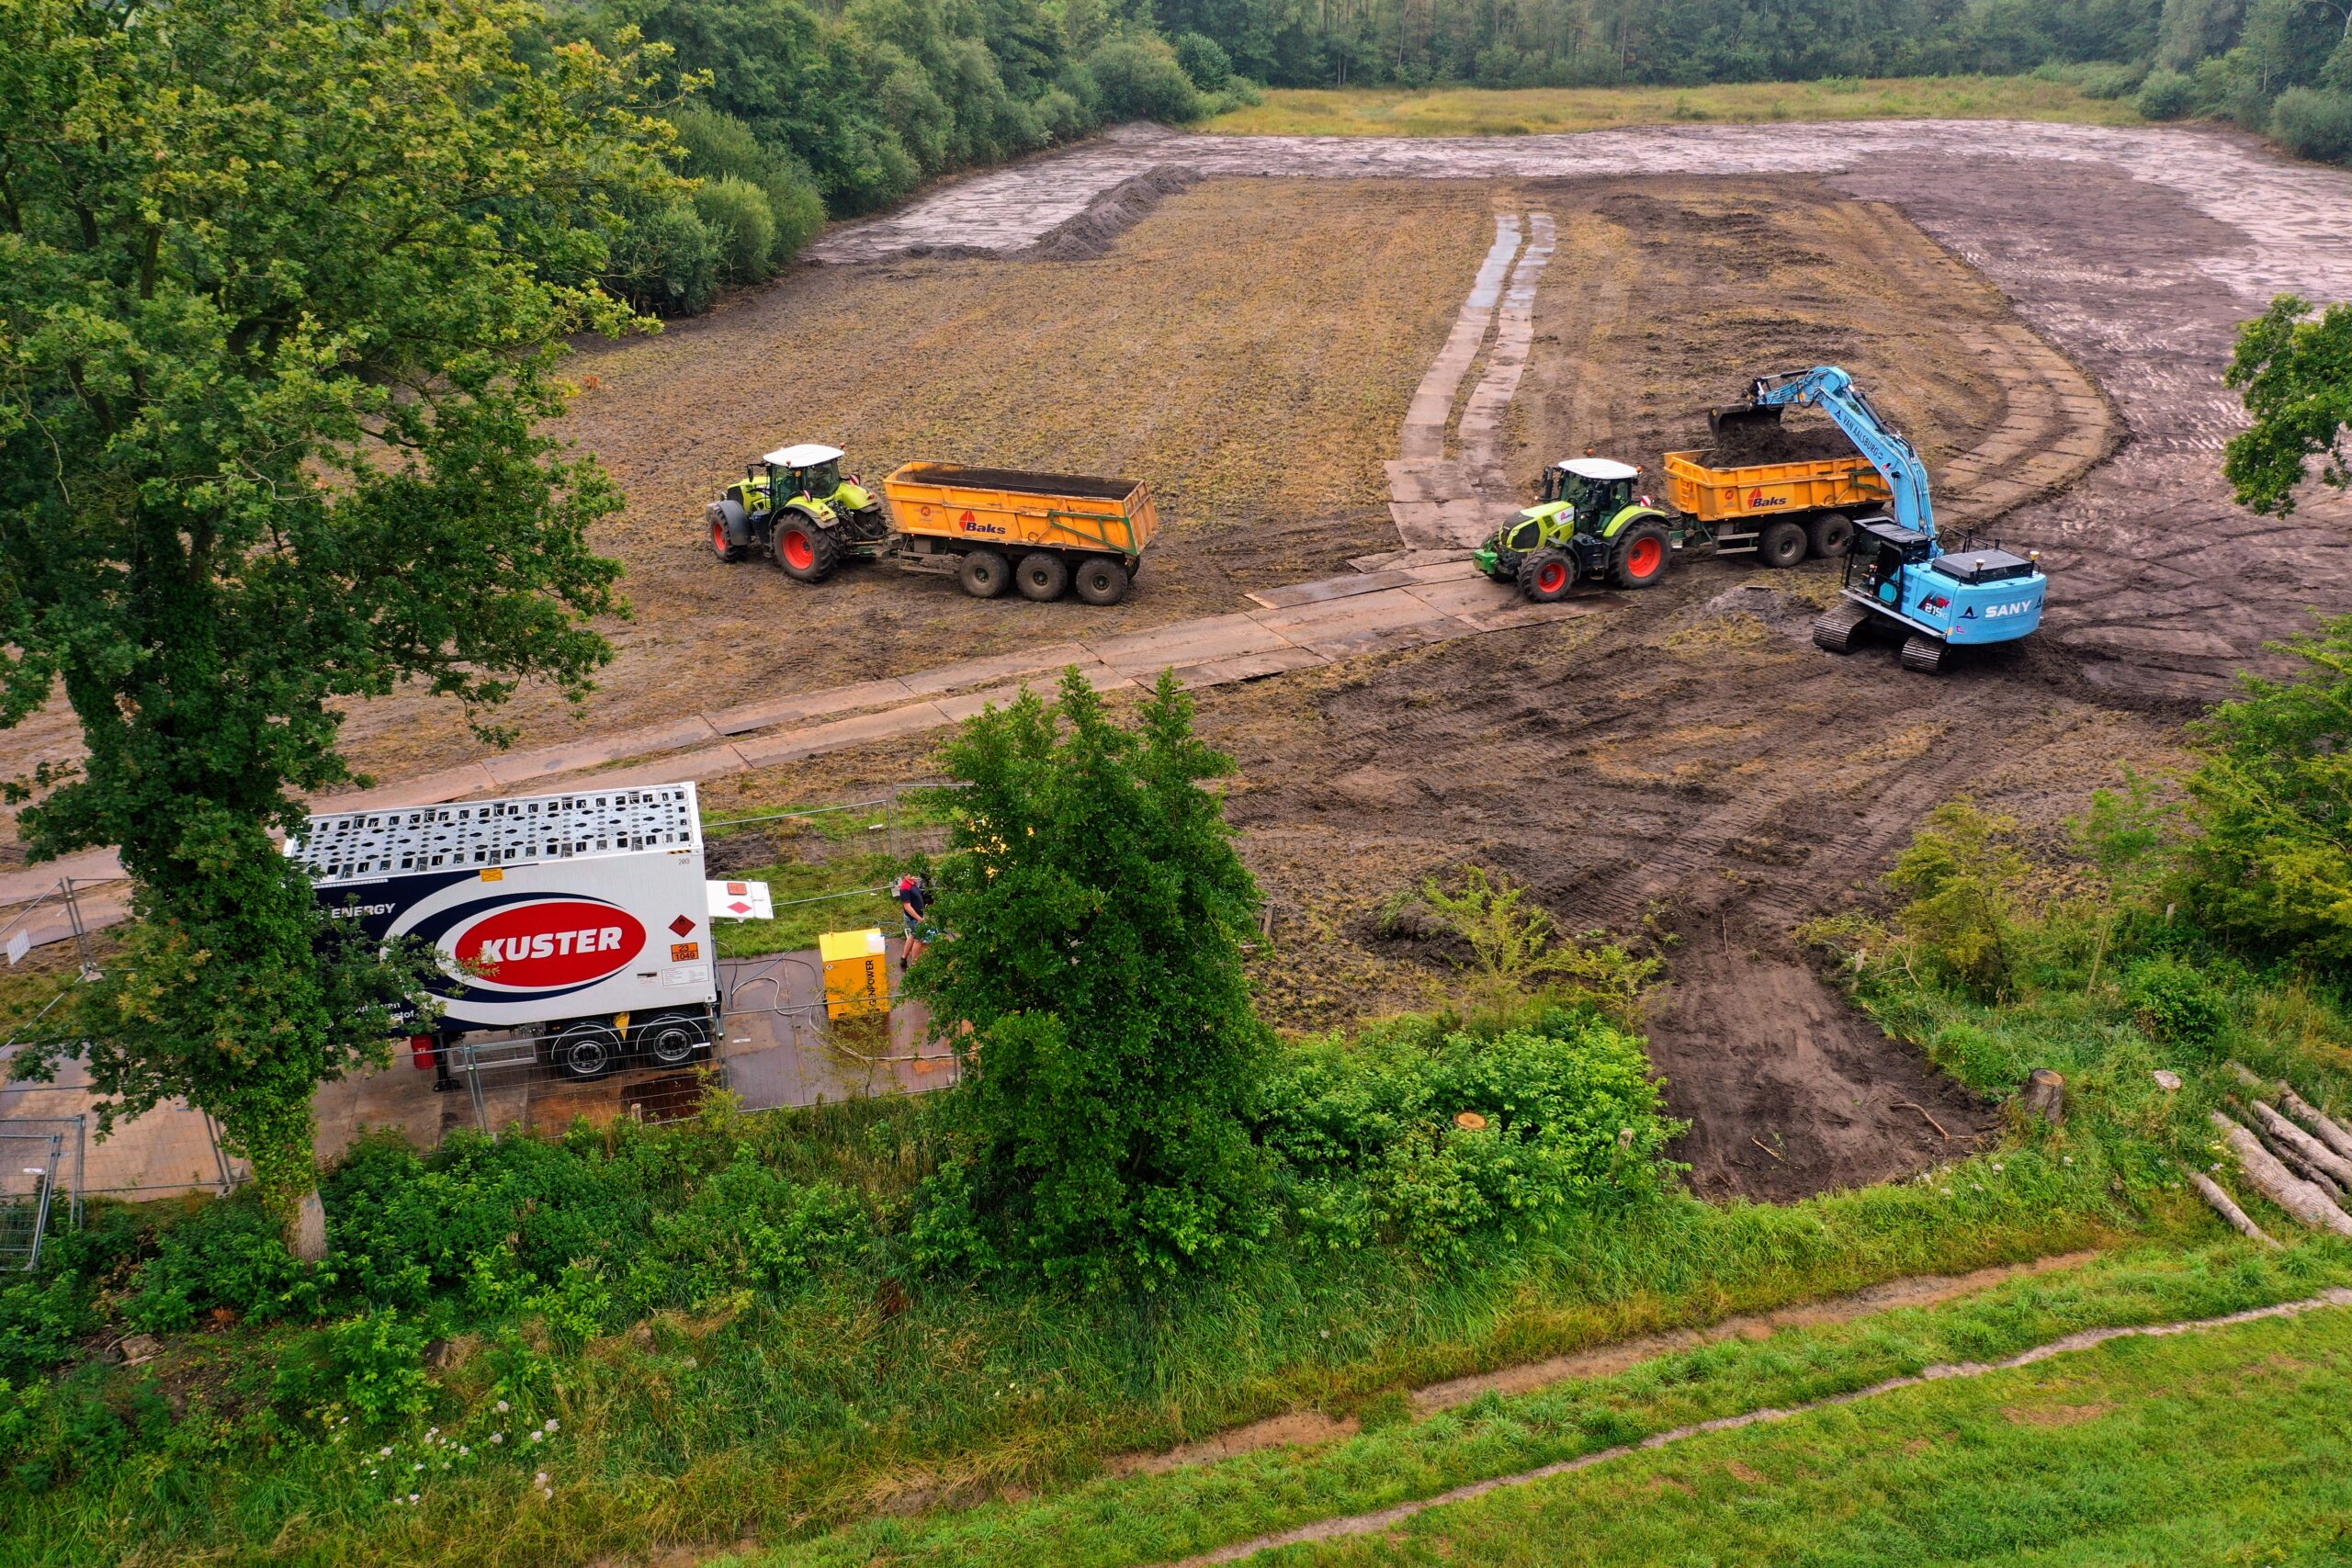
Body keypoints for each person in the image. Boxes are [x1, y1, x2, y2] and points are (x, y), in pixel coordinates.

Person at [897, 874, 933, 970]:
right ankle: (914, 965)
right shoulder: (905, 887)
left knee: (913, 935)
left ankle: (903, 958)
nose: (913, 875)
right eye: (909, 874)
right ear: (904, 875)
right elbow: (907, 907)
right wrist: (919, 918)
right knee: (919, 939)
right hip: (914, 918)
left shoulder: (913, 883)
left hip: (917, 916)